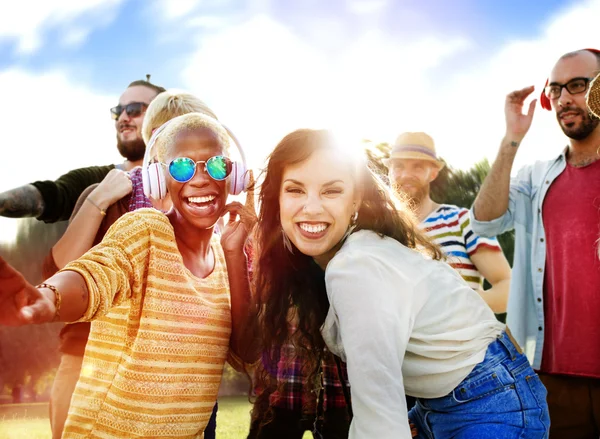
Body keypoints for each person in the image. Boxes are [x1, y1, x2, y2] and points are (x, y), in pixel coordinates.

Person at [249, 128, 549, 438]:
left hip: (486, 401)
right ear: (277, 199)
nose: (311, 207)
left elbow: (378, 418)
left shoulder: (354, 266)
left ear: (356, 201)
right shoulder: (343, 258)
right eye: (295, 190)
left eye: (331, 191)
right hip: (455, 397)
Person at [0, 112, 254, 438]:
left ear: (232, 176)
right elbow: (101, 271)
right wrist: (49, 297)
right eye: (181, 167)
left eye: (217, 165)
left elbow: (246, 353)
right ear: (158, 180)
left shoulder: (223, 253)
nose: (202, 178)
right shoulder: (144, 229)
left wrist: (235, 254)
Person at [43, 90, 222, 439]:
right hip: (96, 362)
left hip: (186, 378)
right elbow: (65, 268)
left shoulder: (212, 216)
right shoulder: (115, 195)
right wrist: (99, 198)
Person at [471, 48, 600, 438]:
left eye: (578, 85)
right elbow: (485, 221)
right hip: (552, 380)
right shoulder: (537, 177)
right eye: (556, 89)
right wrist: (512, 136)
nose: (564, 99)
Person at [0, 78, 165, 222]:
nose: (122, 118)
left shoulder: (185, 178)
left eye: (134, 109)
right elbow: (53, 196)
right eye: (117, 112)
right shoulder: (96, 180)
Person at [387, 132, 511, 313]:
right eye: (399, 166)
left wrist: (454, 306)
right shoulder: (379, 230)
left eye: (418, 167)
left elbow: (507, 287)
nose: (407, 174)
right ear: (389, 171)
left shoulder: (463, 221)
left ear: (433, 173)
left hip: (460, 339)